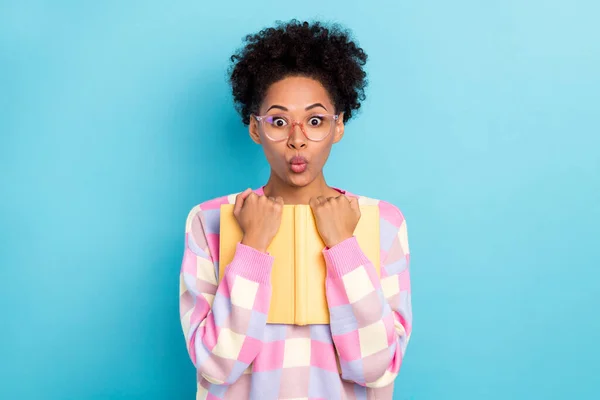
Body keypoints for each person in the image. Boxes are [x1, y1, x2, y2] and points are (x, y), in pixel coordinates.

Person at [179, 19, 412, 400]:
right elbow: (216, 365)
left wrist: (344, 247)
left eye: (316, 121)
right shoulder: (209, 221)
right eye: (279, 121)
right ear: (255, 129)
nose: (298, 139)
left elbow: (376, 367)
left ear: (339, 126)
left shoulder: (382, 222)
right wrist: (252, 247)